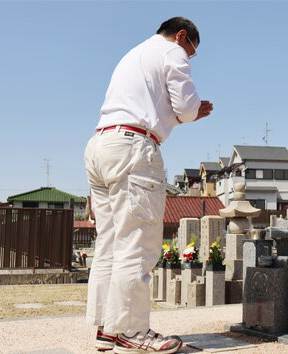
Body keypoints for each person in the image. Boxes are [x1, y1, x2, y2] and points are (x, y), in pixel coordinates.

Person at [84, 17, 213, 353]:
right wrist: (191, 113)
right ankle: (131, 330)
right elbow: (185, 106)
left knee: (110, 242)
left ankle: (106, 328)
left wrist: (181, 114)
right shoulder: (172, 51)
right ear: (181, 35)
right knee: (138, 242)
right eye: (191, 50)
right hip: (133, 148)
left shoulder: (133, 54)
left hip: (101, 144)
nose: (190, 57)